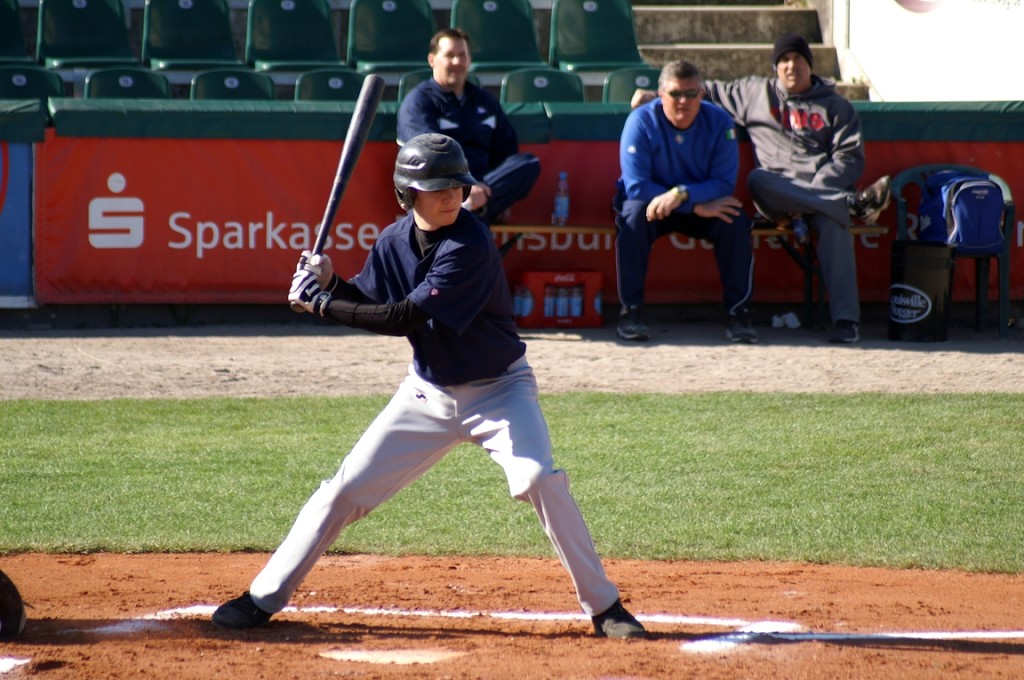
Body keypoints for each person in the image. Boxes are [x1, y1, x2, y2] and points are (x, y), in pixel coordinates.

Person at [211, 133, 646, 640]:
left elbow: (402, 317)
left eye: (456, 185)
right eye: (437, 187)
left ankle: (606, 607)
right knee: (343, 490)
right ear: (407, 194)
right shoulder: (392, 241)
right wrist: (329, 283)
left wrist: (322, 305)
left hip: (500, 392)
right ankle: (261, 598)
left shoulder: (470, 243)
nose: (451, 196)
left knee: (537, 480)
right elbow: (367, 301)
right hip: (426, 394)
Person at [631, 34, 892, 344]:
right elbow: (702, 90)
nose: (791, 66)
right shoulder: (755, 93)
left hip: (822, 190)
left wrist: (817, 191)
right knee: (758, 179)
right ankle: (850, 204)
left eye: (798, 59)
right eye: (784, 60)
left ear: (810, 64)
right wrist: (655, 96)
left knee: (835, 224)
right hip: (776, 194)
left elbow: (848, 158)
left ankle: (846, 322)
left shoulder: (837, 106)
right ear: (775, 67)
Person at [615, 60, 756, 344]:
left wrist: (681, 195)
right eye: (675, 94)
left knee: (734, 219)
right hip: (655, 204)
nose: (684, 101)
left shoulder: (719, 121)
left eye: (691, 94)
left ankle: (738, 312)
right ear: (660, 94)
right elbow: (636, 186)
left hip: (700, 202)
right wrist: (691, 205)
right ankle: (630, 311)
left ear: (701, 94)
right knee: (632, 216)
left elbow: (723, 183)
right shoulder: (640, 120)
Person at [397, 28, 540, 225]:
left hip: (484, 187)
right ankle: (467, 207)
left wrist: (486, 190)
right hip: (439, 191)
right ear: (432, 60)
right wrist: (465, 187)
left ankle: (471, 207)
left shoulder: (485, 101)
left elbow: (506, 152)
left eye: (462, 56)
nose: (457, 61)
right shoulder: (419, 102)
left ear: (469, 60)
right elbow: (428, 158)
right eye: (450, 55)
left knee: (528, 163)